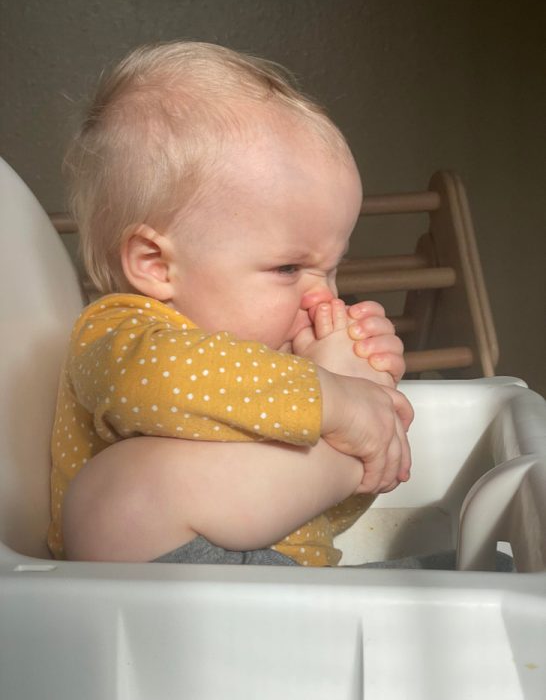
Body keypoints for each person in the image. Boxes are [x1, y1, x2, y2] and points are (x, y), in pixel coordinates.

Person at [49, 42, 413, 567]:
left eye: (333, 269)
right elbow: (160, 381)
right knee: (118, 496)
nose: (326, 297)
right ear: (156, 264)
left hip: (295, 586)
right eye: (288, 268)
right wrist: (337, 402)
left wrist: (365, 407)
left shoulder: (279, 370)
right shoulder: (122, 333)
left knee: (495, 568)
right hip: (163, 595)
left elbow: (322, 519)